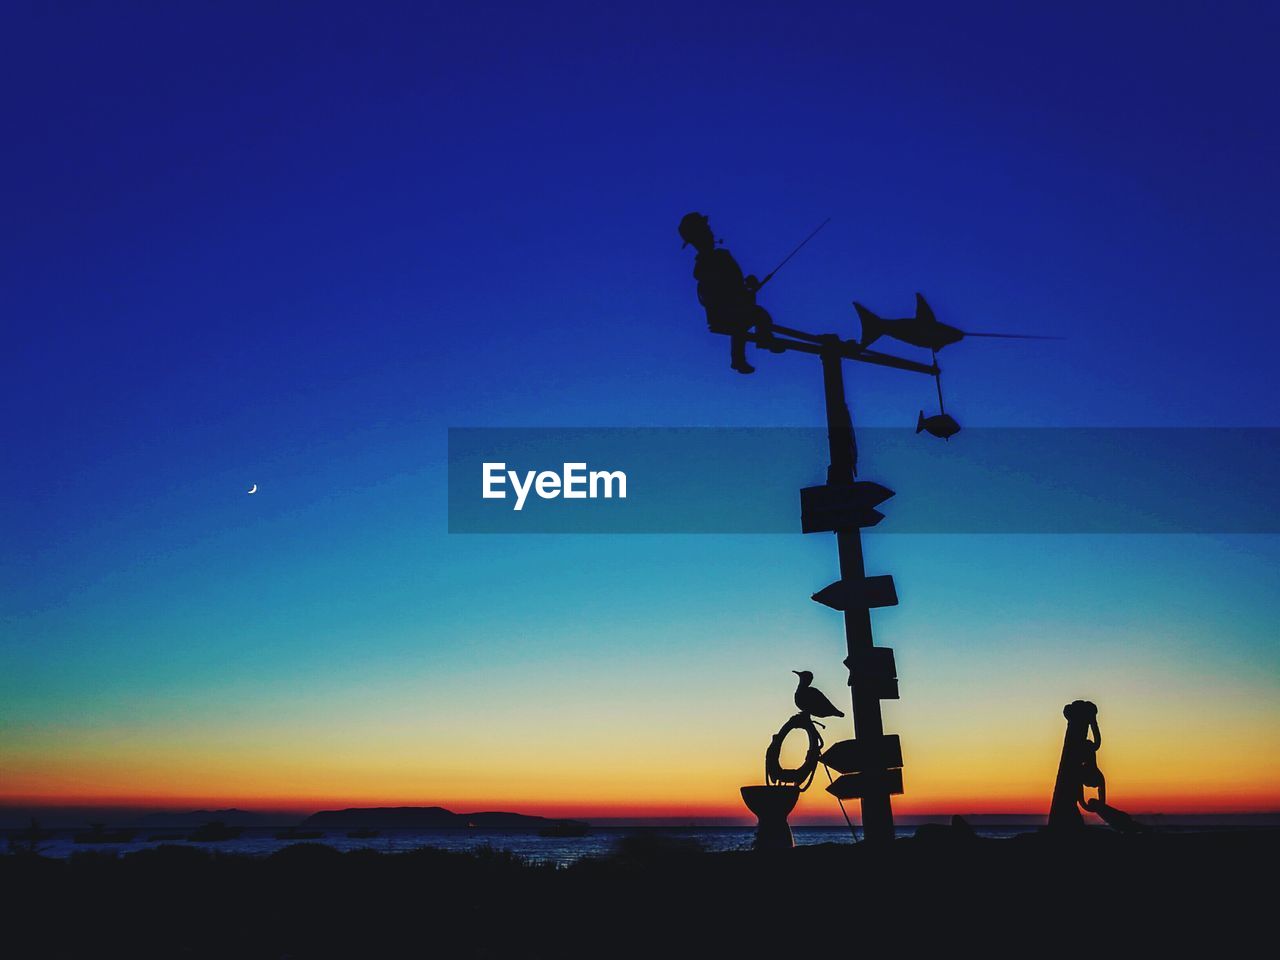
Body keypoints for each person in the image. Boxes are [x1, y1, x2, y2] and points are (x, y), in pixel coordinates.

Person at [679, 212, 782, 374]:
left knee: (743, 324)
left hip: (727, 310)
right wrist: (746, 291)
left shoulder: (711, 260)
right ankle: (765, 341)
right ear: (699, 237)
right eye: (706, 230)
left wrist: (747, 288)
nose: (711, 232)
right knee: (758, 315)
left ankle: (740, 358)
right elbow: (724, 289)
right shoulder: (713, 260)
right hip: (726, 311)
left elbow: (731, 286)